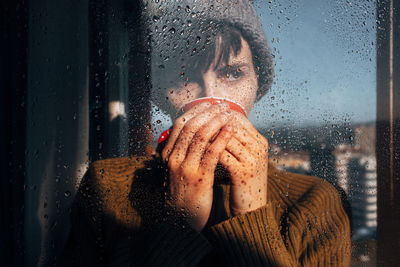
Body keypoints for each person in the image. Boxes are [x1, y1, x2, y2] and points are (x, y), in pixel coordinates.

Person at [62, 0, 351, 266]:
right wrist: (179, 223)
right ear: (162, 91)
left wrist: (252, 215)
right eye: (184, 77)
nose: (213, 98)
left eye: (232, 73)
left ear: (257, 83)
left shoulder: (315, 202)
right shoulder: (107, 187)